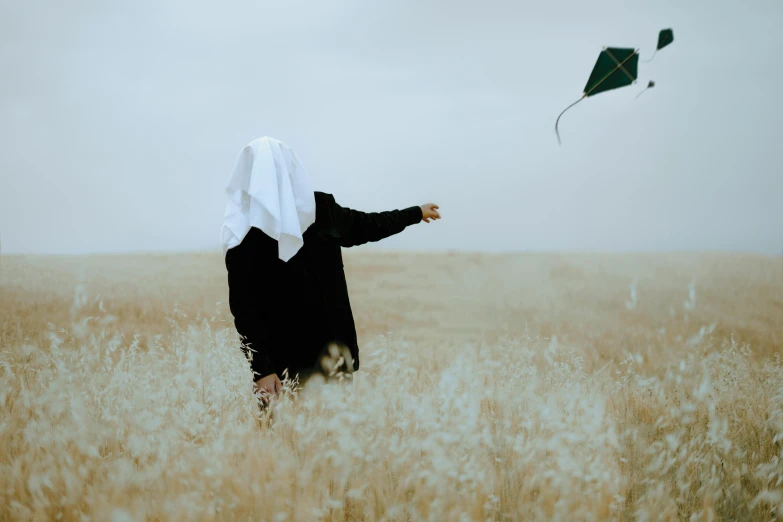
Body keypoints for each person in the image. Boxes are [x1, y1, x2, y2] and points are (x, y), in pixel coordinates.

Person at [221, 137, 440, 403]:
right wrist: (262, 371)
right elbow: (244, 311)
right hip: (281, 367)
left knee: (333, 440)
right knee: (283, 442)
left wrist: (414, 213)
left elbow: (367, 225)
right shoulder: (242, 233)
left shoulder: (321, 209)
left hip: (332, 354)